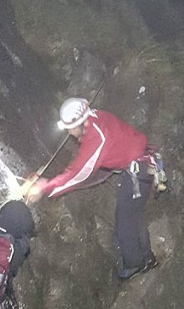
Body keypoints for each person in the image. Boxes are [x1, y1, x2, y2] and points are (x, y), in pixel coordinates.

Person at [27, 97, 160, 280]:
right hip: (143, 164)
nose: (69, 132)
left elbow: (78, 174)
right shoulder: (96, 116)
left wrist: (45, 188)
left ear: (79, 123)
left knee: (125, 221)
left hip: (138, 171)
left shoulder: (96, 137)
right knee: (134, 216)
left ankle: (135, 264)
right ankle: (147, 259)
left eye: (69, 128)